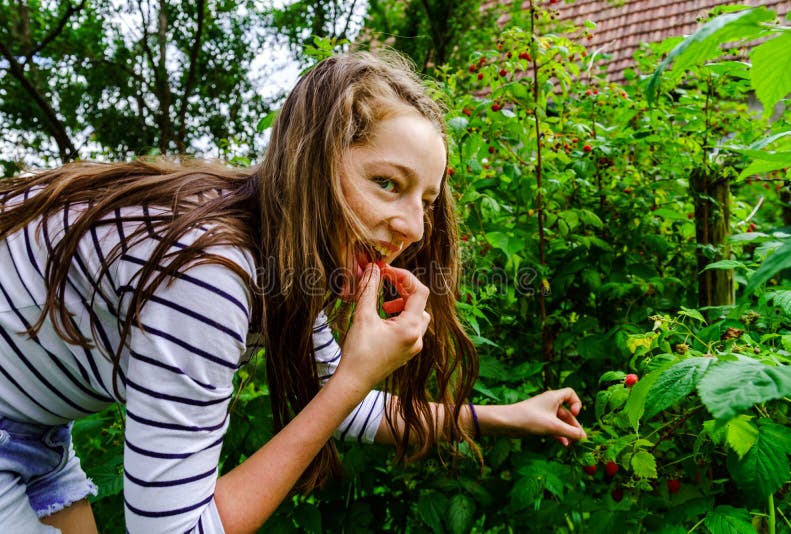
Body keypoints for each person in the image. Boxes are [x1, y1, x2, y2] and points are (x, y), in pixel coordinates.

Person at [0, 51, 586, 533]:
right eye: (388, 184)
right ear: (310, 162)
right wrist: (355, 375)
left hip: (36, 428)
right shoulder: (212, 273)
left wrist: (509, 415)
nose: (413, 227)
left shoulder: (283, 258)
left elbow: (354, 411)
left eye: (426, 201)